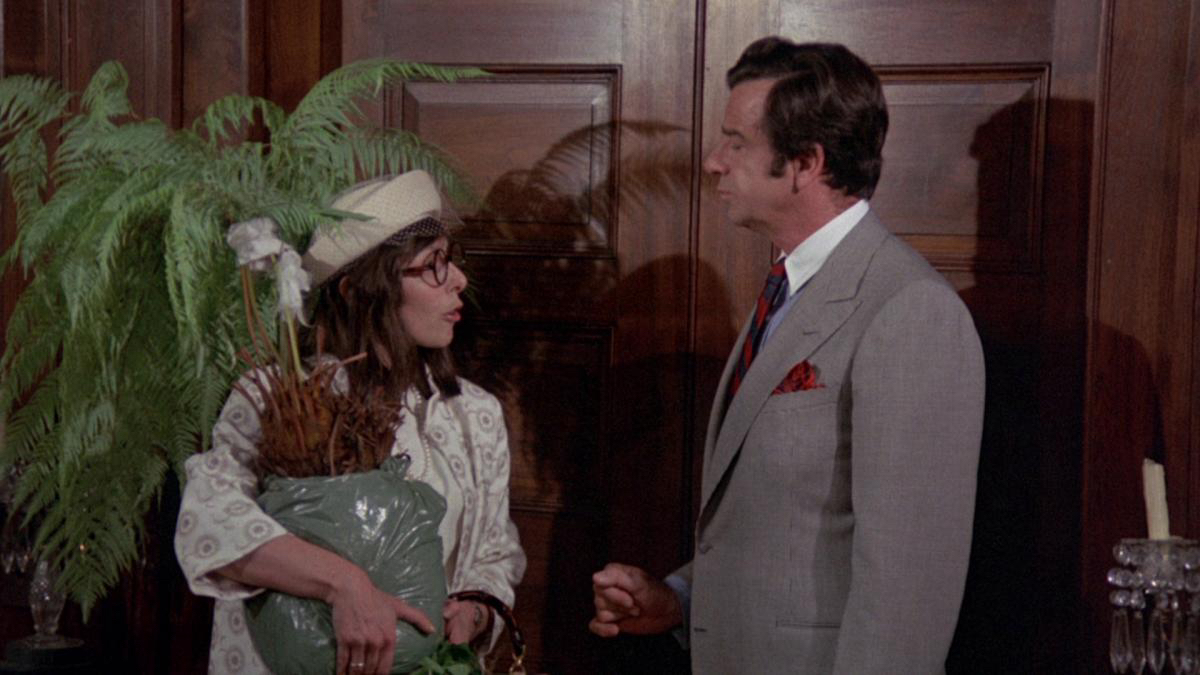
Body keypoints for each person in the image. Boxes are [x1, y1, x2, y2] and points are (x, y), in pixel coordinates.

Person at [590, 37, 984, 674]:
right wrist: (681, 599)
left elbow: (906, 598)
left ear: (805, 163)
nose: (714, 162)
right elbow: (784, 531)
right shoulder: (787, 287)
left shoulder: (910, 311)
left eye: (736, 143)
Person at [175, 170, 526, 675]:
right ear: (361, 290)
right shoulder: (286, 403)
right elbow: (209, 523)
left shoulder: (473, 414)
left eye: (452, 260)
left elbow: (493, 553)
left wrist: (474, 612)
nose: (459, 281)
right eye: (433, 266)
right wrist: (344, 585)